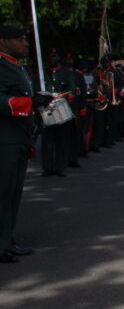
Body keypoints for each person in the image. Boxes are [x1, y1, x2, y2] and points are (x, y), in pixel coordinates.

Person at [0, 25, 50, 263]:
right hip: (5, 141)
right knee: (3, 193)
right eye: (20, 40)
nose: (26, 44)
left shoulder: (16, 68)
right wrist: (29, 102)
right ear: (3, 41)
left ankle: (6, 241)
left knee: (13, 194)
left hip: (19, 139)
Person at [39, 48, 76, 177]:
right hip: (46, 109)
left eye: (54, 56)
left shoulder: (66, 73)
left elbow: (71, 90)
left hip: (61, 108)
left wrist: (63, 97)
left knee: (62, 140)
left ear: (58, 58)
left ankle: (60, 167)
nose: (52, 59)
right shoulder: (43, 73)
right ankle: (47, 168)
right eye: (50, 56)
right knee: (47, 140)